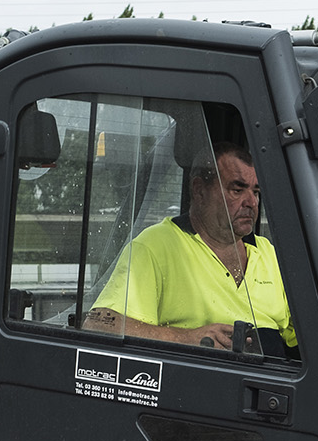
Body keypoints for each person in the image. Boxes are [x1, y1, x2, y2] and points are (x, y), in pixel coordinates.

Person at [84, 142, 297, 354]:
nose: (251, 202)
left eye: (256, 192)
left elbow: (303, 336)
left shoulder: (268, 252)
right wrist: (187, 338)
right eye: (237, 190)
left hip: (271, 378)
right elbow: (100, 325)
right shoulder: (157, 245)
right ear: (199, 190)